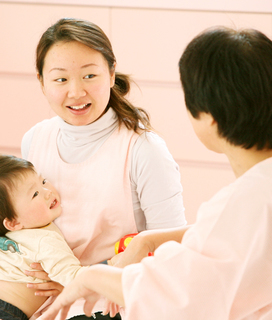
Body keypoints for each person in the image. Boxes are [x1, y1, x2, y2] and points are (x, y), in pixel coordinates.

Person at [39, 26, 272, 320]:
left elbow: (178, 294)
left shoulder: (245, 202)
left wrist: (89, 278)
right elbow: (232, 238)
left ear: (208, 118)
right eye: (60, 78)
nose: (76, 91)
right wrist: (146, 241)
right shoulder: (253, 198)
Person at [21, 17, 186, 319]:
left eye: (89, 76)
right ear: (41, 82)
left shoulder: (143, 149)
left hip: (114, 305)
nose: (76, 92)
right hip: (40, 304)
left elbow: (171, 253)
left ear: (111, 74)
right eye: (60, 79)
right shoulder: (34, 141)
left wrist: (83, 284)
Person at [0, 154, 89, 320]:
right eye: (35, 194)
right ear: (13, 223)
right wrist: (108, 270)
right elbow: (74, 278)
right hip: (2, 312)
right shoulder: (45, 240)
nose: (47, 192)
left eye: (44, 181)